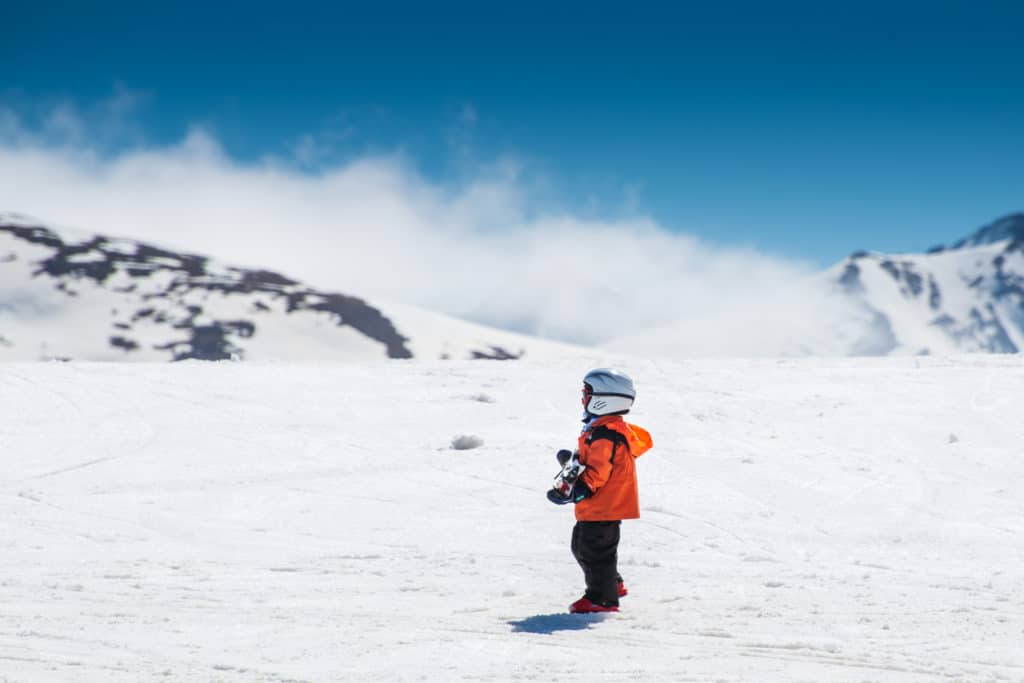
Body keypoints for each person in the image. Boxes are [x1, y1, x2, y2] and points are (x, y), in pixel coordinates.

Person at [548, 368, 653, 613]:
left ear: (603, 399)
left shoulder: (606, 434)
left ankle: (602, 599)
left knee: (594, 552)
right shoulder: (602, 429)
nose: (583, 398)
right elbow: (593, 461)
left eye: (587, 393)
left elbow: (598, 472)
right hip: (600, 506)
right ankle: (612, 584)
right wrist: (571, 465)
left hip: (604, 506)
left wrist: (580, 490)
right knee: (583, 547)